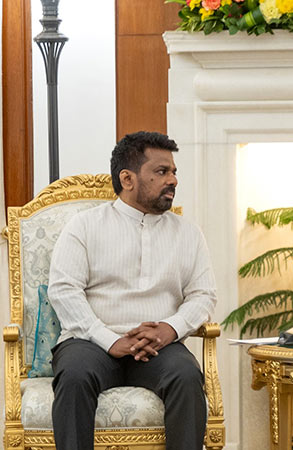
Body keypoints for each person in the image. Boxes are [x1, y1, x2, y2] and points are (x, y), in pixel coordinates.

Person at [48, 131, 217, 450]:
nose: (173, 180)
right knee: (73, 376)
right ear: (127, 178)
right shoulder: (84, 226)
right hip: (91, 341)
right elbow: (64, 290)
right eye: (161, 171)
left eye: (174, 172)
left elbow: (203, 295)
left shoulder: (188, 234)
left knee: (186, 376)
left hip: (159, 345)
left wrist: (170, 328)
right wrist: (110, 340)